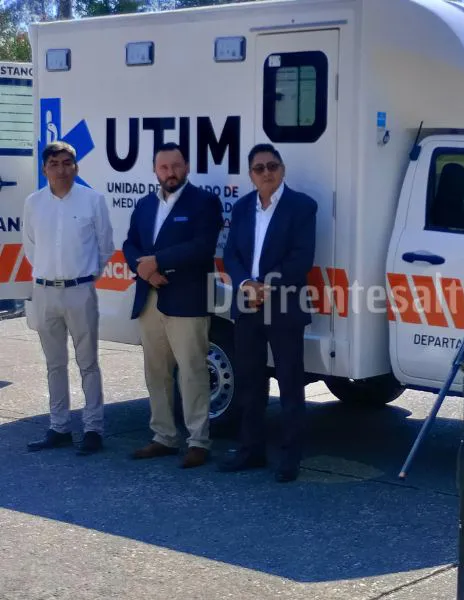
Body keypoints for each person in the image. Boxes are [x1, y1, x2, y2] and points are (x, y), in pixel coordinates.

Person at [122, 142, 223, 469]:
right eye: (164, 167)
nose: (171, 173)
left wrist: (158, 262)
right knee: (156, 372)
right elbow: (129, 243)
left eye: (176, 166)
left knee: (193, 372)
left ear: (187, 167)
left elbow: (202, 246)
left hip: (187, 300)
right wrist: (143, 268)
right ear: (155, 171)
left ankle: (198, 441)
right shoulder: (145, 205)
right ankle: (163, 436)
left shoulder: (204, 202)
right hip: (150, 298)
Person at [220, 143, 317, 483]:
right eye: (259, 168)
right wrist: (247, 283)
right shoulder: (243, 207)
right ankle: (251, 450)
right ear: (251, 174)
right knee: (250, 383)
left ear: (282, 169)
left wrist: (266, 286)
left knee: (290, 385)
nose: (266, 172)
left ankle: (290, 458)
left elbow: (301, 257)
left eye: (272, 166)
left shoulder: (302, 207)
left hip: (285, 305)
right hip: (247, 305)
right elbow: (231, 254)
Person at [23, 141, 114, 455]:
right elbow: (30, 246)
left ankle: (93, 429)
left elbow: (104, 247)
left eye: (67, 163)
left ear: (76, 166)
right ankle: (59, 427)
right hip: (45, 291)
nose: (61, 170)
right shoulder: (33, 203)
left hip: (80, 291)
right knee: (54, 364)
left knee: (88, 363)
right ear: (45, 168)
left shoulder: (93, 201)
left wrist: (83, 275)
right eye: (55, 164)